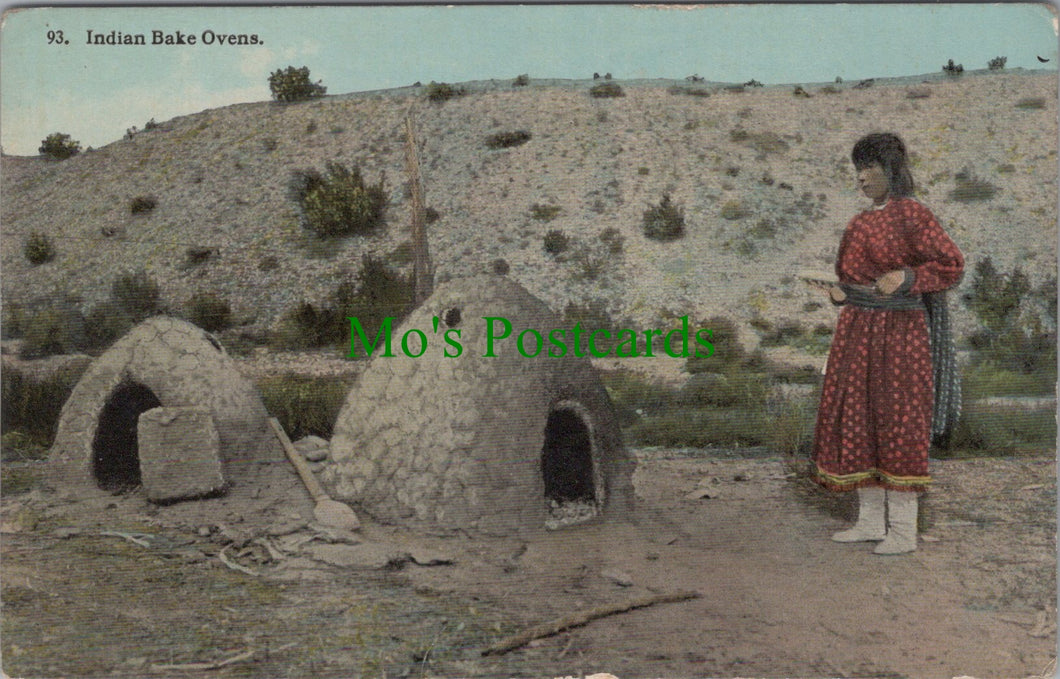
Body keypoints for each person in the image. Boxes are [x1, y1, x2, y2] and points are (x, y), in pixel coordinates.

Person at [811, 132, 964, 555]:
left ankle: (902, 531)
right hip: (857, 331)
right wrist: (840, 293)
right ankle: (868, 522)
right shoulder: (858, 223)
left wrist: (909, 277)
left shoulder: (914, 216)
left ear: (892, 172)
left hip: (901, 334)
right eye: (858, 171)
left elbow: (951, 264)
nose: (861, 179)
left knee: (898, 420)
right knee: (857, 418)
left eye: (870, 170)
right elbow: (848, 276)